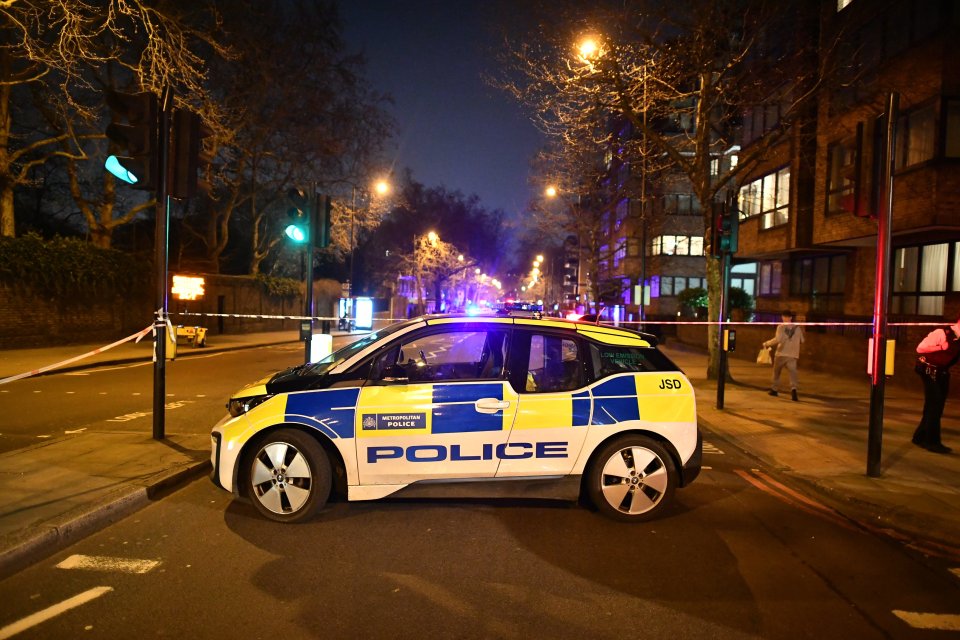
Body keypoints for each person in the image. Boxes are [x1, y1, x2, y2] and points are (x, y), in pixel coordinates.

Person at [912, 316, 960, 454]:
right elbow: (920, 348)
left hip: (942, 372)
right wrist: (940, 346)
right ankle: (932, 442)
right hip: (928, 369)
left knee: (934, 405)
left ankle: (919, 437)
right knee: (935, 404)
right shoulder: (941, 333)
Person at [763, 310, 804, 401]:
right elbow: (802, 340)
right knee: (793, 373)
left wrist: (767, 343)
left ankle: (774, 389)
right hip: (793, 354)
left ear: (783, 317)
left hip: (781, 353)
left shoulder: (780, 327)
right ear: (791, 317)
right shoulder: (797, 327)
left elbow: (778, 339)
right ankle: (794, 390)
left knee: (776, 372)